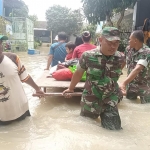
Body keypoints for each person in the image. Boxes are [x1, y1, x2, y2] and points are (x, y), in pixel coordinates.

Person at [63, 27, 125, 130]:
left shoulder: (121, 58)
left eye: (116, 43)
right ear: (100, 40)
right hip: (90, 100)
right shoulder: (87, 56)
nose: (113, 46)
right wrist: (71, 88)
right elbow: (78, 73)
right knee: (86, 130)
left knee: (114, 131)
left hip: (110, 100)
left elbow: (118, 72)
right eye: (109, 42)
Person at [0, 35, 44, 125]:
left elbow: (25, 77)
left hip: (20, 109)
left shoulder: (13, 58)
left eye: (0, 43)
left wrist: (37, 89)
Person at [119, 30, 150, 104]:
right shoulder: (128, 49)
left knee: (146, 107)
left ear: (135, 40)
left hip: (144, 86)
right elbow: (124, 62)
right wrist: (117, 73)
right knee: (130, 103)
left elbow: (137, 69)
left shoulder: (147, 52)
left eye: (130, 39)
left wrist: (123, 83)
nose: (128, 41)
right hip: (131, 85)